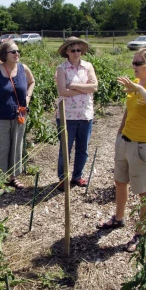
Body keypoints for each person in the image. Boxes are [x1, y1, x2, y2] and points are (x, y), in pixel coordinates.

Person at [97, 48, 146, 252]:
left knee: (143, 191)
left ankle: (142, 232)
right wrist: (119, 135)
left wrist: (141, 90)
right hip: (125, 141)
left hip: (143, 146)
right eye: (133, 62)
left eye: (138, 63)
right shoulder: (135, 85)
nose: (133, 66)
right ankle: (119, 218)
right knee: (120, 181)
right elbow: (128, 110)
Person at [0, 41, 36, 188]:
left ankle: (13, 177)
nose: (17, 54)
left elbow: (32, 82)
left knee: (16, 147)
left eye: (18, 51)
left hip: (19, 116)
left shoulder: (23, 69)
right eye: (13, 52)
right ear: (4, 55)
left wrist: (28, 97)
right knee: (0, 148)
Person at [55, 37, 98, 190]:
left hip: (86, 114)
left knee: (83, 149)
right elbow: (62, 91)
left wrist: (72, 85)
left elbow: (94, 87)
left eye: (78, 50)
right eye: (72, 50)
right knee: (65, 150)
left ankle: (77, 176)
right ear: (66, 51)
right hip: (67, 116)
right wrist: (83, 88)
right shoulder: (62, 69)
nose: (76, 53)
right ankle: (62, 178)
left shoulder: (88, 66)